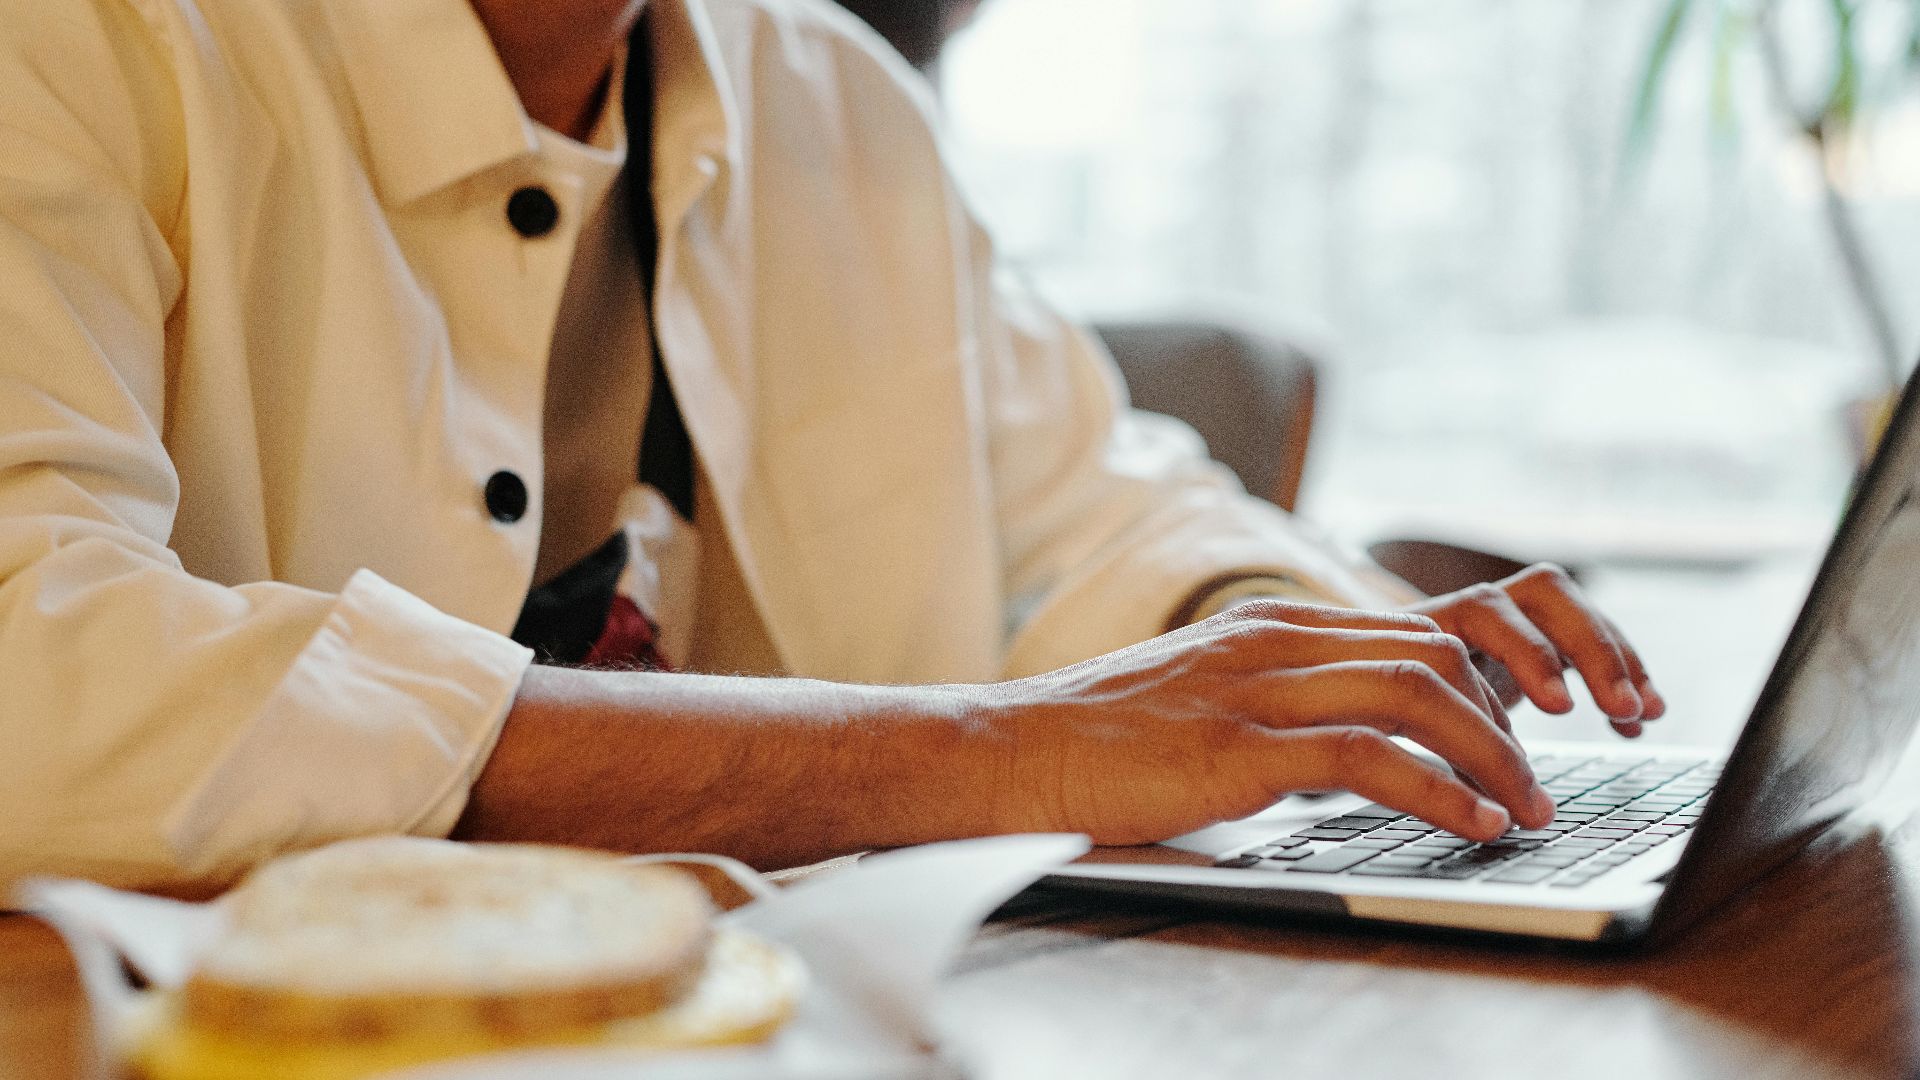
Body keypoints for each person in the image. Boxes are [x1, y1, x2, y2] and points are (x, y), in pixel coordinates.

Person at [0, 0, 1661, 893]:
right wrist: (990, 748)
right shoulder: (79, 45)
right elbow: (35, 667)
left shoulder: (825, 91)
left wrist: (1311, 660)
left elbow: (1093, 511)